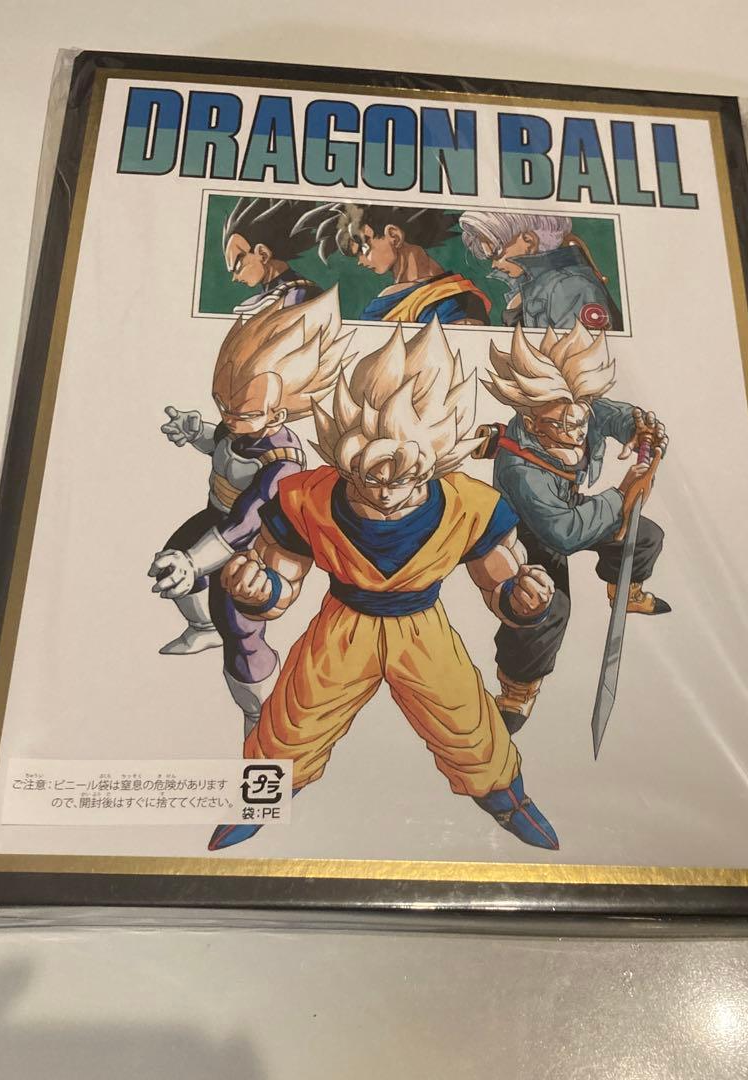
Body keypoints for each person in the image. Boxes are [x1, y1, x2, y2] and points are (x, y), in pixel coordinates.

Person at [207, 318, 560, 852]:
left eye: (407, 479)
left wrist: (523, 598)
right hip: (342, 627)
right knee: (293, 722)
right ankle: (259, 800)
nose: (388, 494)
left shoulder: (469, 504)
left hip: (423, 630)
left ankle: (507, 800)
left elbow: (500, 584)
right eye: (371, 478)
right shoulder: (307, 498)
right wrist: (259, 590)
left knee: (468, 724)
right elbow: (283, 576)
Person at [149, 287, 354, 737]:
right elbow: (222, 443)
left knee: (239, 623)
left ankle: (261, 710)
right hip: (216, 514)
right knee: (175, 562)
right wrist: (196, 431)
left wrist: (195, 561)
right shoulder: (240, 420)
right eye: (223, 405)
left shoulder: (282, 461)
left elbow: (246, 522)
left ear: (276, 416)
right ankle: (202, 626)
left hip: (257, 542)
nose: (228, 416)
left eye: (239, 411)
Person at [477, 322, 667, 733]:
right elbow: (564, 533)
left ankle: (626, 592)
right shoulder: (521, 469)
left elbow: (607, 414)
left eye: (579, 422)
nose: (576, 432)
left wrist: (636, 428)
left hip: (567, 509)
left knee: (644, 536)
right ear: (531, 421)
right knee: (544, 607)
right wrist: (620, 496)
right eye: (562, 426)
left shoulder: (576, 410)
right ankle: (517, 689)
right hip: (526, 531)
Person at [298, 201, 490, 324]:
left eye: (363, 250)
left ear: (394, 236)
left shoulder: (455, 301)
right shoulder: (388, 298)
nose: (361, 262)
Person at [459, 210, 622, 331]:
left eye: (496, 253)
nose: (494, 265)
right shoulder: (536, 287)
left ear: (528, 241)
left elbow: (580, 359)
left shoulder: (569, 286)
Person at [221, 197, 323, 315]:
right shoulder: (252, 303)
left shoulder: (302, 295)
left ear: (263, 254)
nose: (234, 278)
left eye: (238, 266)